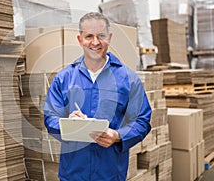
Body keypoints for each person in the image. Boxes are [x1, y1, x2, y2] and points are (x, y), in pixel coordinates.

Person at [44, 12, 152, 181]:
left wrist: (118, 136)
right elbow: (50, 117)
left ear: (109, 38)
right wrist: (67, 124)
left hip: (110, 172)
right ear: (80, 39)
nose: (95, 42)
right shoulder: (63, 78)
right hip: (73, 172)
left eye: (101, 36)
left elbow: (142, 121)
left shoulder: (128, 79)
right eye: (89, 36)